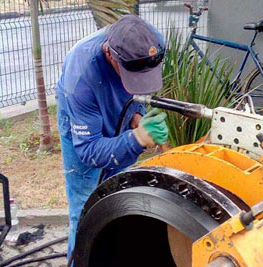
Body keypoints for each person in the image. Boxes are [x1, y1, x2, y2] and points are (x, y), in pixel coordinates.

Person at [55, 15, 169, 261]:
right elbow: (89, 150)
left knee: (117, 196)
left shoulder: (152, 43)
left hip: (119, 104)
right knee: (85, 208)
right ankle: (81, 260)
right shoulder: (80, 78)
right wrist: (136, 138)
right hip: (83, 124)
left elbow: (142, 88)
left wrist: (138, 113)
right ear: (111, 55)